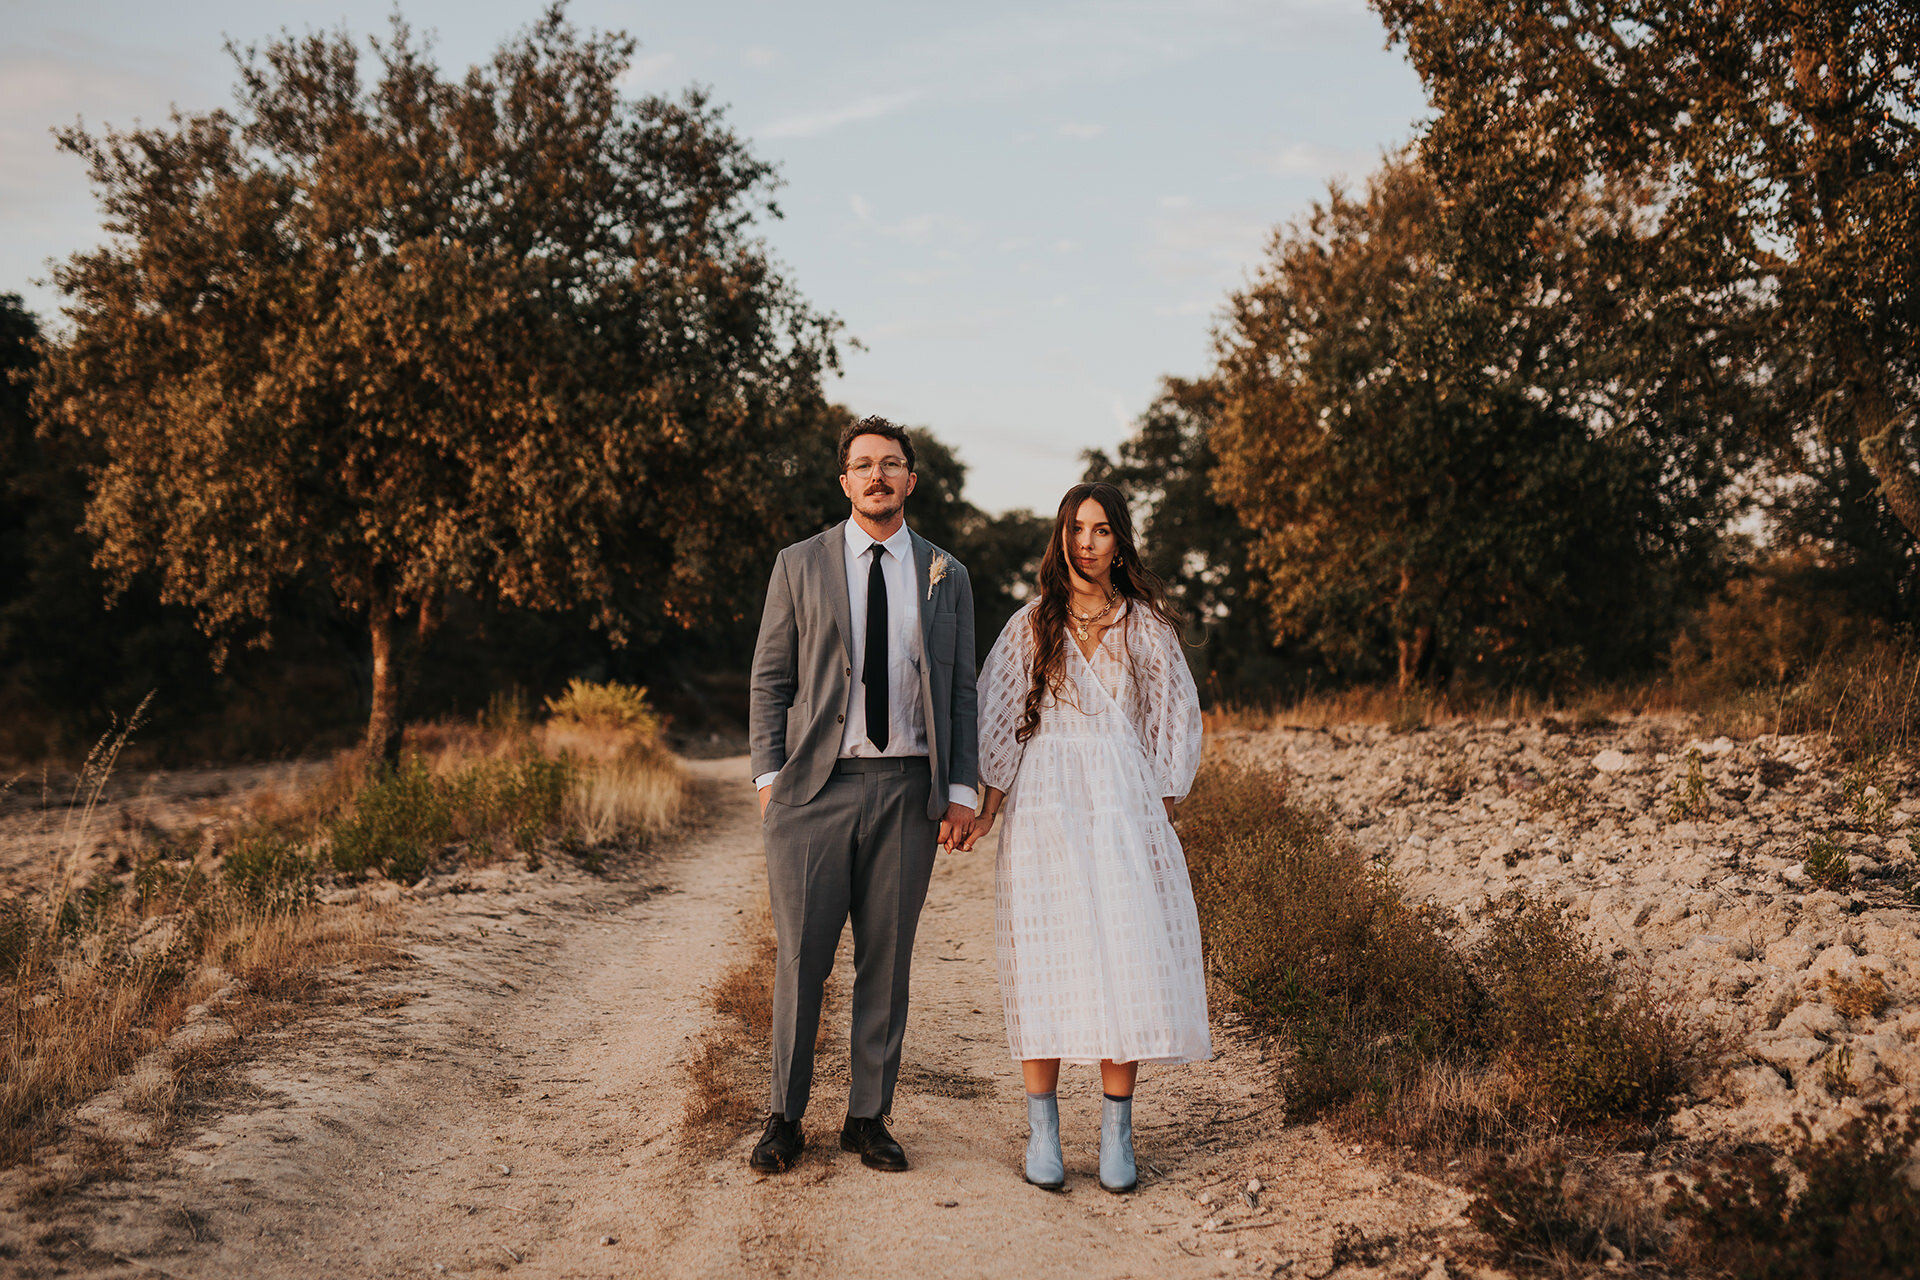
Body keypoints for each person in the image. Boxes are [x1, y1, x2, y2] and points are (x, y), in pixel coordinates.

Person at [746, 415, 980, 1174]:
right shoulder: (799, 564)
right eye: (863, 465)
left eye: (892, 465)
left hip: (910, 792)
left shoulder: (949, 574)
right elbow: (770, 679)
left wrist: (961, 789)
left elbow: (963, 692)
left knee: (888, 958)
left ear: (912, 479)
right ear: (844, 481)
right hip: (814, 791)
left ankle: (867, 1117)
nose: (878, 477)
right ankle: (784, 1116)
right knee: (802, 962)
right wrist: (767, 777)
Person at [961, 481, 1207, 1193]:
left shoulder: (1147, 627)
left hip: (1122, 804)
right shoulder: (1031, 622)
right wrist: (986, 810)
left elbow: (1174, 720)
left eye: (1102, 530)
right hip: (1046, 804)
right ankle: (1043, 1129)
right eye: (1076, 528)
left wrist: (1156, 803)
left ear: (1119, 541)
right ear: (1061, 537)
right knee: (1047, 956)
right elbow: (1003, 721)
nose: (1088, 542)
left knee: (1122, 958)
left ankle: (1116, 1132)